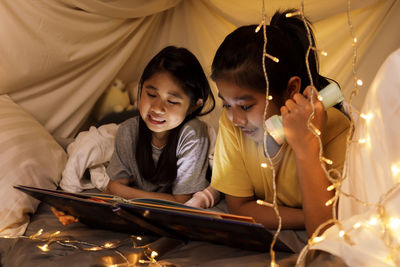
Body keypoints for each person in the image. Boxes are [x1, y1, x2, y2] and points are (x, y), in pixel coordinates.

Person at [210, 9, 350, 236]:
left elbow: (325, 229)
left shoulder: (336, 128)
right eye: (226, 104)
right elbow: (239, 207)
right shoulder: (232, 124)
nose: (235, 118)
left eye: (245, 106)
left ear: (292, 89)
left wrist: (307, 145)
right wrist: (308, 215)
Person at [53, 45, 215, 225]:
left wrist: (121, 191)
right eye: (151, 94)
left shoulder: (192, 134)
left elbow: (182, 202)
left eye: (172, 101)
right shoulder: (128, 131)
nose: (157, 108)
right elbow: (113, 190)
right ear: (141, 88)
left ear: (194, 105)